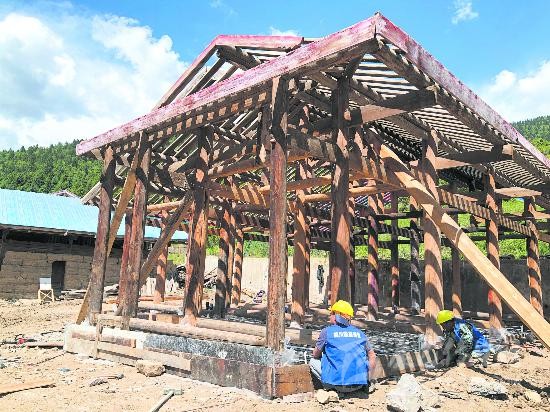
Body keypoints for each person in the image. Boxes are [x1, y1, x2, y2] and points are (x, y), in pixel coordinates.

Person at [309, 300, 376, 393]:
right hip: (359, 385)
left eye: (331, 313)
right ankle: (367, 383)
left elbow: (315, 354)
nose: (330, 316)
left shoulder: (326, 332)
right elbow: (372, 356)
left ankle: (331, 387)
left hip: (338, 387)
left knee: (313, 361)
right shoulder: (360, 333)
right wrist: (368, 378)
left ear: (336, 316)